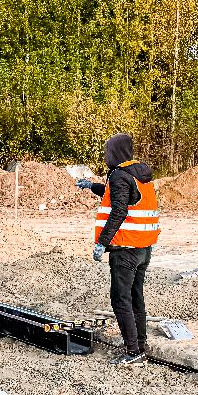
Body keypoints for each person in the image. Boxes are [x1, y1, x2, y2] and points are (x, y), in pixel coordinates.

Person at [77, 133, 160, 366]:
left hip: (125, 249)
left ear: (115, 153)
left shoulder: (119, 175)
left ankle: (133, 352)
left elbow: (119, 210)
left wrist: (102, 242)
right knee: (135, 298)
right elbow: (122, 196)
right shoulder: (139, 174)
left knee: (120, 299)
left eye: (107, 152)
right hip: (143, 247)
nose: (106, 156)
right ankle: (140, 345)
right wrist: (93, 186)